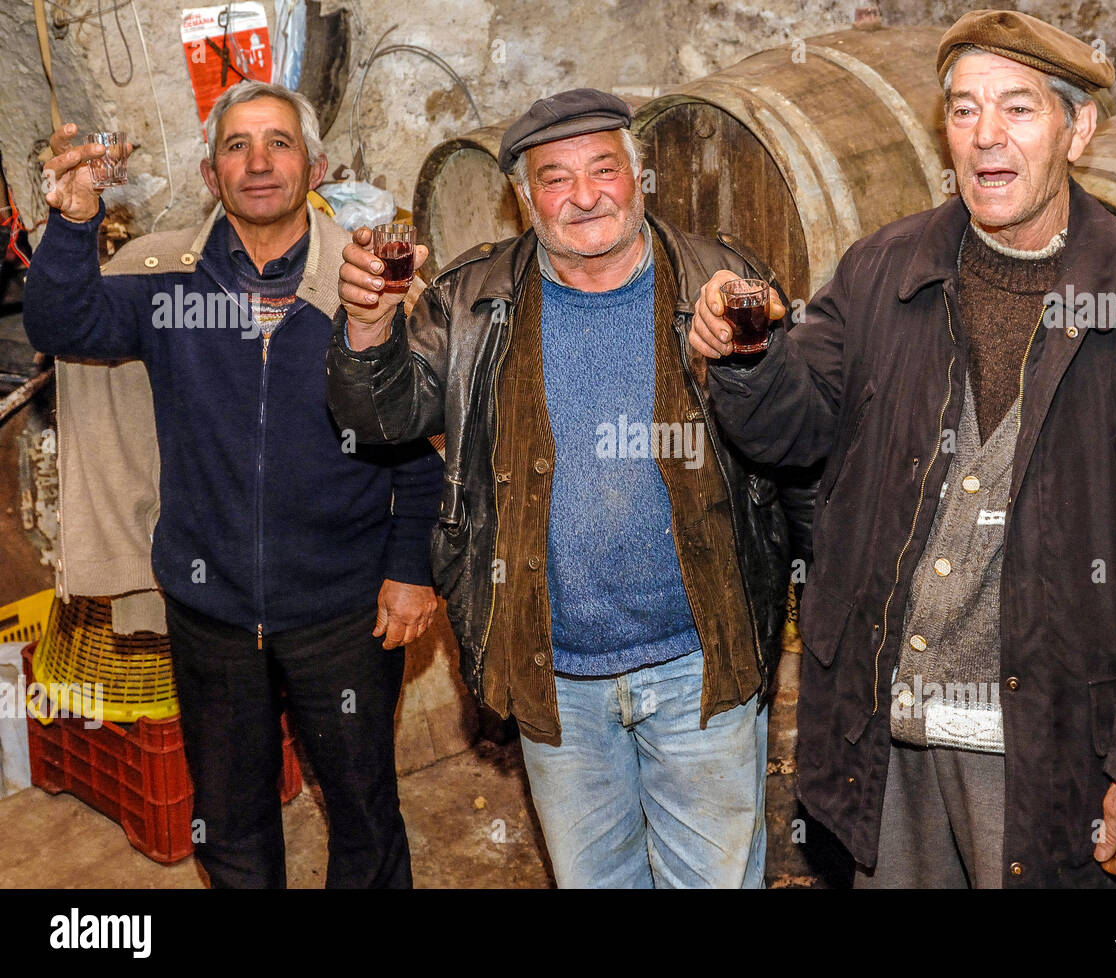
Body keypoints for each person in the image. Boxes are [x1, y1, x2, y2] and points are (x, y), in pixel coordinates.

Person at [689, 10, 1116, 888]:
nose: (986, 138)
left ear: (1079, 129)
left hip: (1050, 750)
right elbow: (793, 428)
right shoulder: (884, 271)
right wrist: (746, 360)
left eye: (1018, 109)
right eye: (963, 110)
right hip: (888, 738)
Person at [326, 89, 791, 888]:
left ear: (639, 178)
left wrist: (762, 360)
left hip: (700, 665)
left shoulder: (721, 278)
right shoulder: (472, 301)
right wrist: (368, 324)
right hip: (554, 673)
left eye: (604, 169)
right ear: (522, 196)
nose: (584, 196)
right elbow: (382, 418)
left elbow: (792, 439)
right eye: (555, 178)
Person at [25, 81, 442, 888]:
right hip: (210, 607)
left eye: (279, 143)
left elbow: (420, 446)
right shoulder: (167, 285)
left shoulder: (367, 288)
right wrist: (72, 222)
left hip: (342, 608)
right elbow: (61, 323)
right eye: (237, 146)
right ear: (212, 175)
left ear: (314, 165)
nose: (259, 162)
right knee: (230, 820)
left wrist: (411, 568)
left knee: (363, 810)